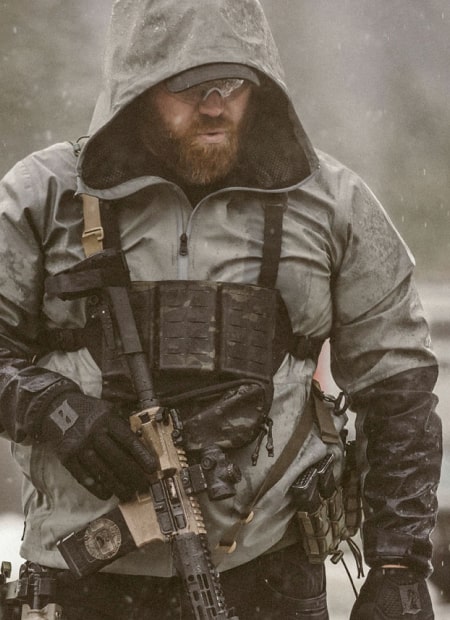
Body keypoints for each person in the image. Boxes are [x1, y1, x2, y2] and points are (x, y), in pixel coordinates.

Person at [0, 1, 442, 618]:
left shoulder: (332, 205)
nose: (214, 105)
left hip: (270, 577)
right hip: (84, 584)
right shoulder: (43, 197)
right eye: (189, 85)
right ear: (139, 87)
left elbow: (399, 391)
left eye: (232, 84)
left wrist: (398, 566)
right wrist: (53, 409)